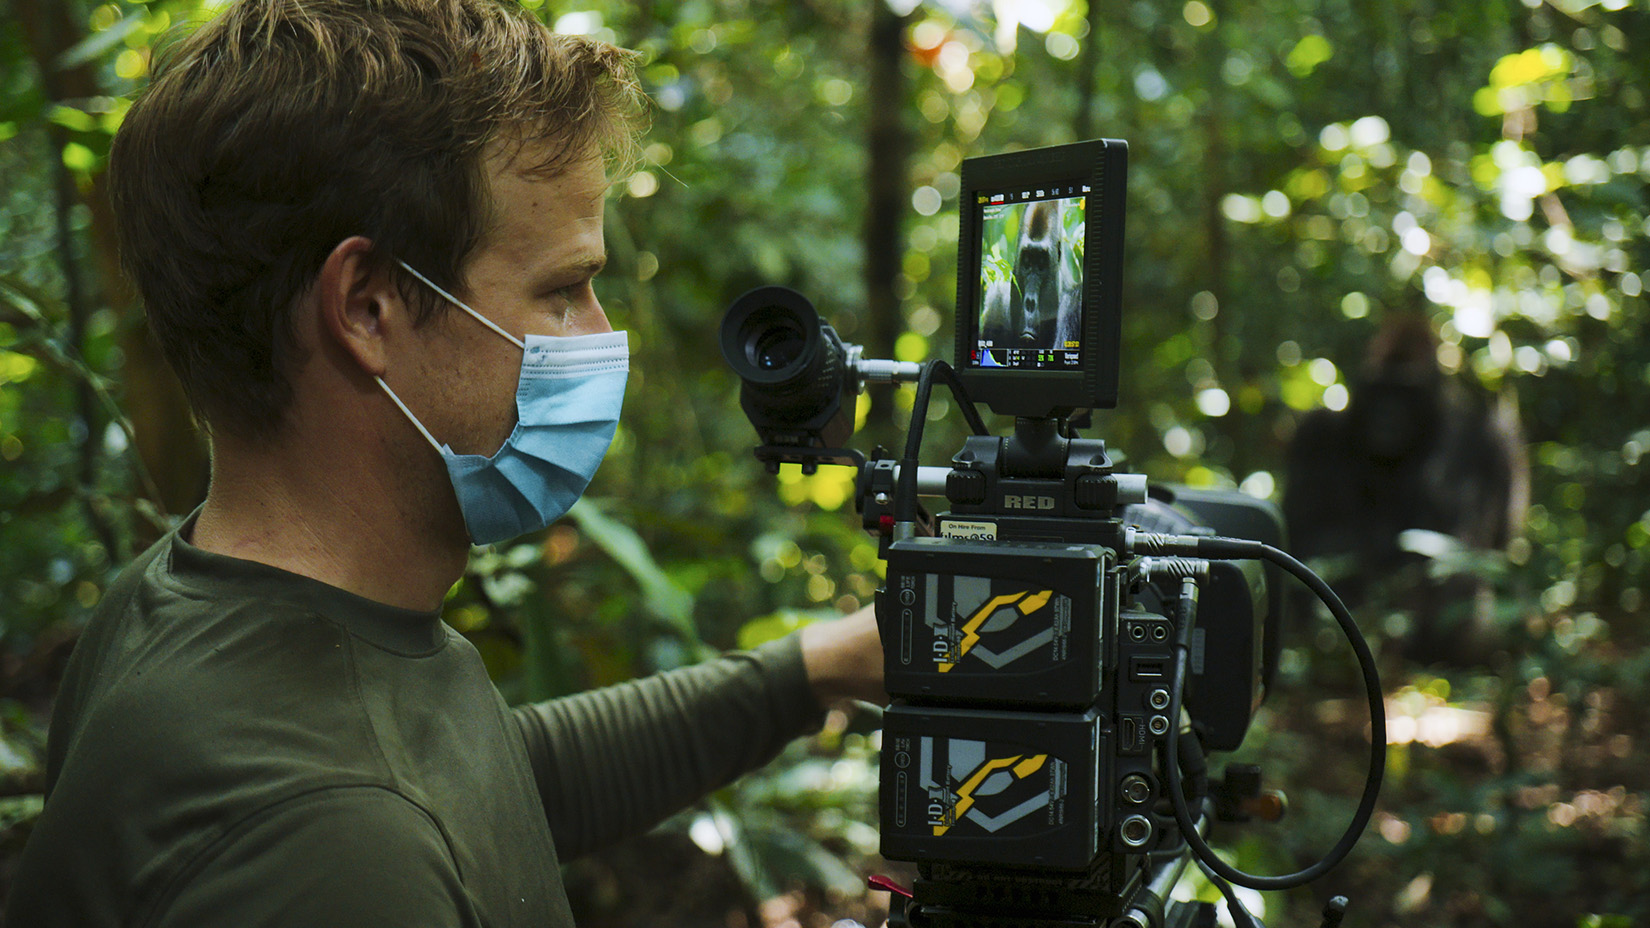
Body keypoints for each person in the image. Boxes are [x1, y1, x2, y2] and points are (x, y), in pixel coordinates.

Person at [4, 1, 883, 924]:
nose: (600, 336)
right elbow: (377, 818)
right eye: (564, 290)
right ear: (368, 309)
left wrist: (822, 666)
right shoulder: (330, 843)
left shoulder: (179, 606)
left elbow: (483, 782)